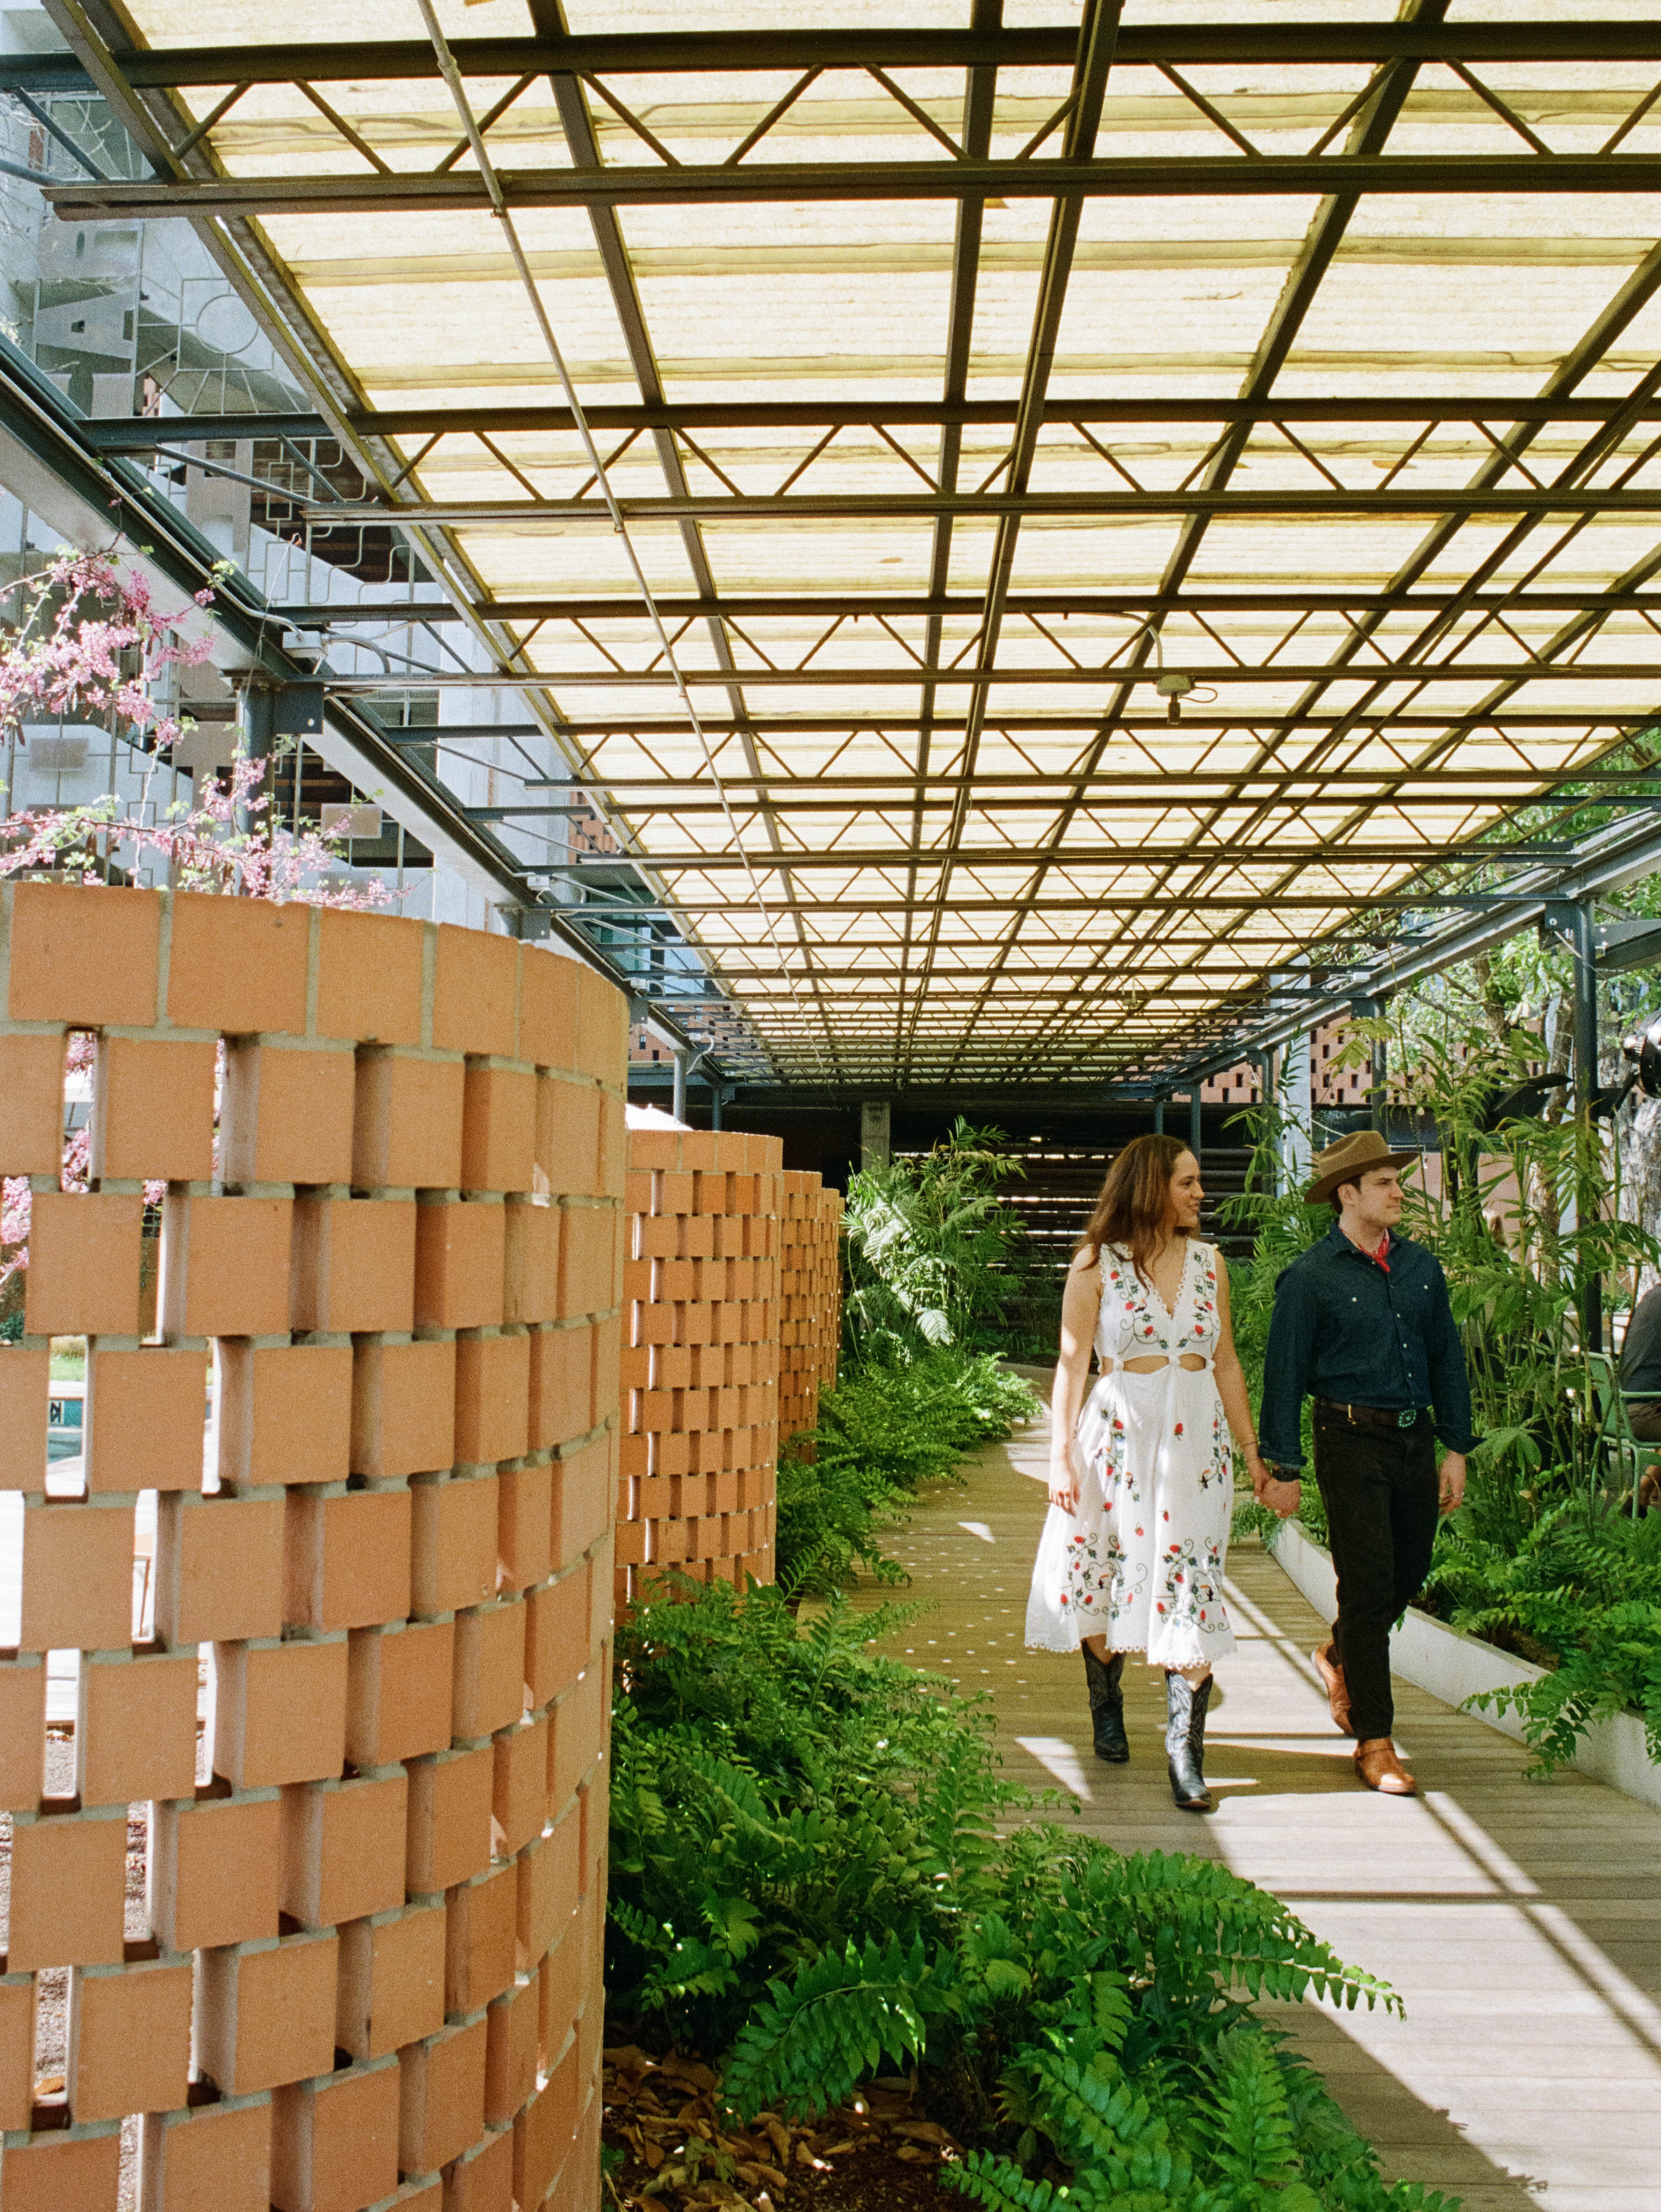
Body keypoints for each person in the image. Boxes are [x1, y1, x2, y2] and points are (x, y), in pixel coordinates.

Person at [1025, 1133, 1269, 1812]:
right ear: (1149, 1187)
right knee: (1101, 1571)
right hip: (1115, 1441)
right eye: (1186, 1182)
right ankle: (1106, 1702)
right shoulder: (1094, 1265)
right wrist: (1059, 1460)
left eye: (1198, 1182)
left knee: (1190, 1577)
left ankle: (1184, 1751)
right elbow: (1072, 1366)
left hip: (1195, 1447)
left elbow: (1224, 1362)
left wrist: (1250, 1451)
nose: (1200, 1193)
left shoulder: (1210, 1263)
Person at [1257, 1129, 1475, 1798]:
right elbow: (1284, 1377)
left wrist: (1456, 1449)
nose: (1397, 1191)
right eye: (1384, 1182)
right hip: (1347, 1440)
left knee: (1405, 1576)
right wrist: (1282, 1469)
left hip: (1413, 1443)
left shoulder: (1420, 1269)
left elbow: (1446, 1360)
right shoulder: (1310, 1278)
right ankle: (1374, 1742)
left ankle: (1336, 1653)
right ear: (1347, 1195)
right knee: (1367, 1582)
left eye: (1396, 1181)